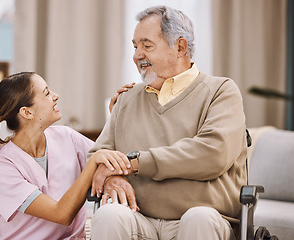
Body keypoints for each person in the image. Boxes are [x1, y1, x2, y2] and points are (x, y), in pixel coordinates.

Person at [89, 5, 247, 240]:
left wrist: (135, 163)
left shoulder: (220, 91)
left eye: (146, 45)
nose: (137, 55)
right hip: (140, 218)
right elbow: (99, 154)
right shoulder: (127, 98)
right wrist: (110, 177)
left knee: (199, 218)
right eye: (135, 46)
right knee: (109, 215)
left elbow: (213, 154)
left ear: (180, 47)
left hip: (201, 219)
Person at [0, 72, 133, 240]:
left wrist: (116, 118)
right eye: (46, 93)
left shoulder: (67, 137)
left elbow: (113, 159)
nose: (55, 96)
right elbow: (61, 214)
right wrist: (93, 164)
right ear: (27, 112)